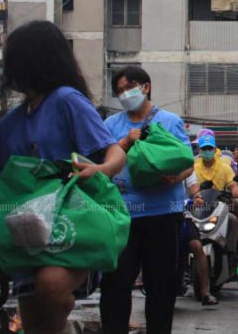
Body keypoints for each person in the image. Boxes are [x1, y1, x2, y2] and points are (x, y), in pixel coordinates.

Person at [0, 21, 126, 334]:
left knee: (50, 285)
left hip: (70, 225)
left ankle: (66, 311)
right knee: (34, 323)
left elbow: (115, 152)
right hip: (27, 232)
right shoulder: (14, 120)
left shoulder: (67, 100)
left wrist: (100, 170)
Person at [100, 66, 194, 334]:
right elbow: (102, 163)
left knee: (162, 287)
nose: (123, 94)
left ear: (145, 87)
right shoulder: (111, 126)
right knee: (115, 284)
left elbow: (188, 163)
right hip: (121, 215)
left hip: (163, 214)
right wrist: (126, 143)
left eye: (127, 87)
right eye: (119, 91)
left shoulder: (170, 121)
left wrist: (176, 179)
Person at [192, 134, 238, 255]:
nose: (207, 151)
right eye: (204, 149)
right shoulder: (193, 169)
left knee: (232, 219)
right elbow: (188, 186)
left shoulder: (225, 168)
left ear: (215, 149)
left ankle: (234, 252)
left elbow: (233, 184)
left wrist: (235, 189)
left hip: (219, 206)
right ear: (200, 151)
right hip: (199, 208)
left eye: (209, 148)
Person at [182, 176, 218, 306]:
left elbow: (193, 185)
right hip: (163, 215)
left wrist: (198, 197)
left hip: (184, 217)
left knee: (197, 246)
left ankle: (205, 293)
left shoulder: (186, 166)